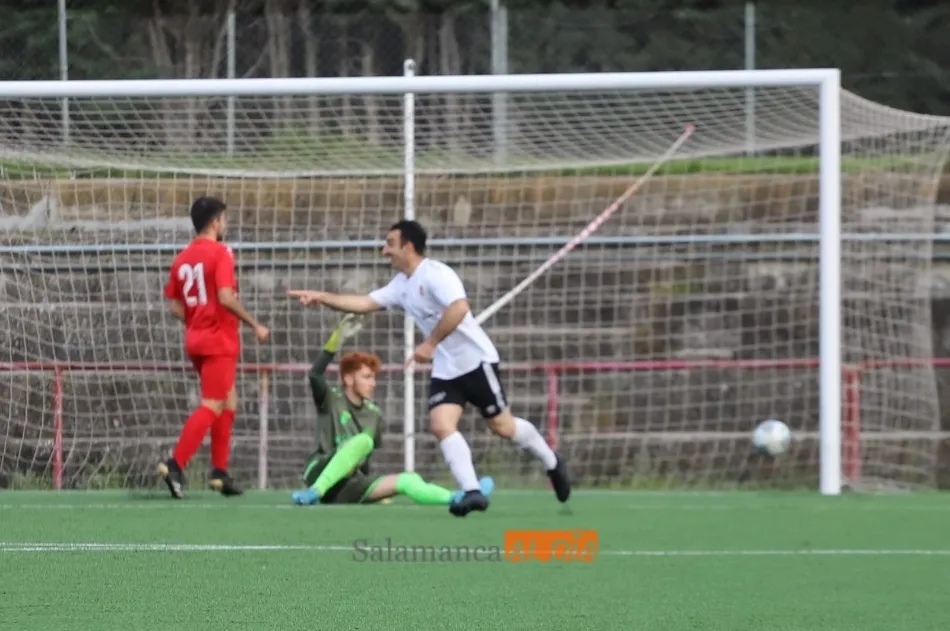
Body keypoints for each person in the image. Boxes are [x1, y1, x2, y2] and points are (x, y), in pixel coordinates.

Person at [287, 219, 570, 518]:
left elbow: (459, 308)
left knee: (503, 427)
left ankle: (552, 462)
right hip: (447, 369)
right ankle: (472, 492)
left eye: (390, 244)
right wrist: (323, 298)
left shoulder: (436, 274)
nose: (384, 251)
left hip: (476, 361)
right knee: (440, 424)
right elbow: (365, 303)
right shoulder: (401, 285)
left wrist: (430, 343)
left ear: (408, 247)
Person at [290, 314, 494, 506]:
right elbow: (315, 375)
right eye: (366, 377)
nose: (373, 383)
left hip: (348, 485)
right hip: (319, 472)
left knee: (408, 479)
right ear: (348, 379)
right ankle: (315, 492)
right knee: (363, 440)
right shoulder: (331, 398)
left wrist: (376, 489)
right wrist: (337, 338)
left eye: (374, 378)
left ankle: (462, 497)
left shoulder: (374, 414)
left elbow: (364, 460)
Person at [159, 196, 269, 499]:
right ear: (215, 222)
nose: (226, 225)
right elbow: (225, 296)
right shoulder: (221, 253)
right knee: (213, 404)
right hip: (219, 340)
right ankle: (175, 464)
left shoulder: (182, 258)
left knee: (228, 400)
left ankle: (220, 472)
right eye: (224, 219)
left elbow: (175, 307)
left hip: (195, 340)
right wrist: (255, 324)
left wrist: (198, 320)